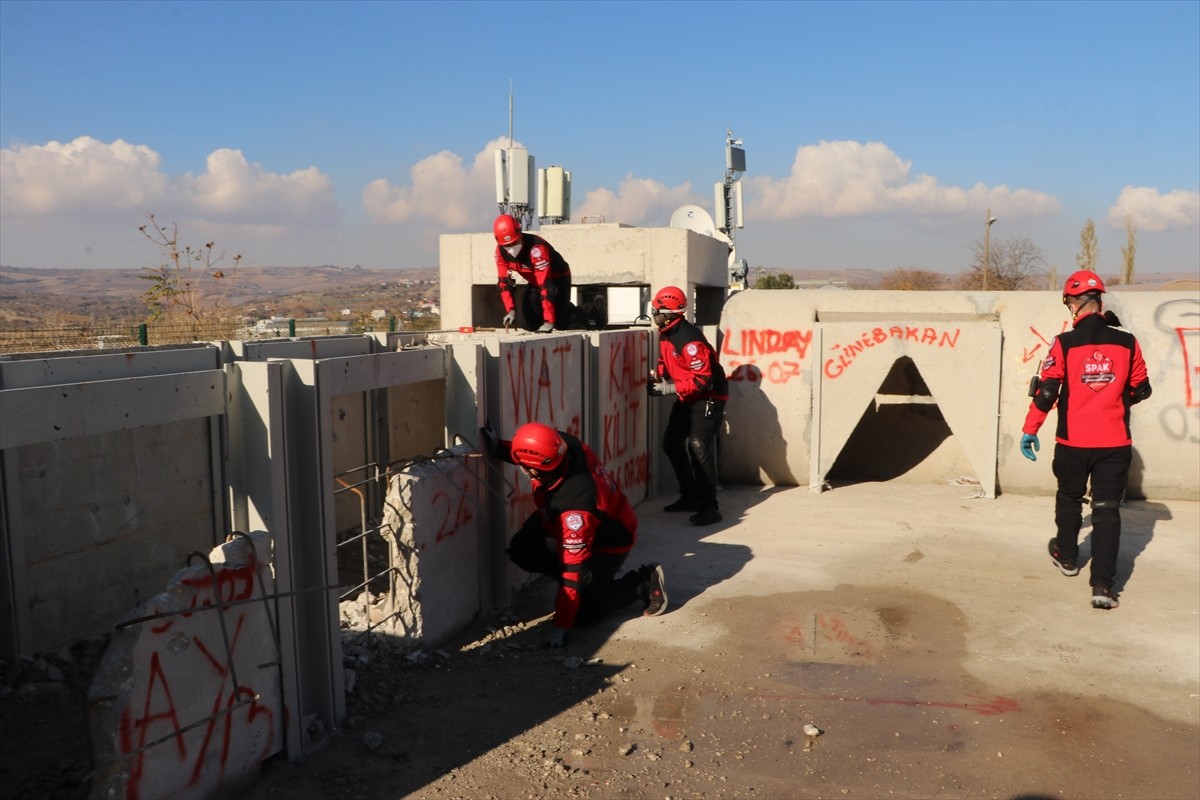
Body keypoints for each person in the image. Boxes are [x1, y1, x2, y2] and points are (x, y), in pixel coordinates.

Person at [1020, 269, 1151, 610]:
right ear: (1100, 301)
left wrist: (1030, 429)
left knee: (1069, 497)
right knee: (1107, 510)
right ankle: (1103, 587)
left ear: (1072, 304)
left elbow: (1047, 392)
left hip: (1072, 441)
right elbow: (1142, 388)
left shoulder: (1064, 343)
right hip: (1115, 442)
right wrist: (1115, 400)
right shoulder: (1127, 342)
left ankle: (1066, 557)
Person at [479, 421, 667, 647]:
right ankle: (588, 583)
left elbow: (572, 570)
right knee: (522, 549)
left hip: (610, 540)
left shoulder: (575, 512)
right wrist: (499, 448)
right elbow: (537, 453)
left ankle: (642, 582)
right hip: (556, 520)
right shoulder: (565, 446)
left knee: (584, 614)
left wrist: (560, 625)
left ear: (533, 471)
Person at [647, 285, 728, 526]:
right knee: (672, 443)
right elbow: (666, 358)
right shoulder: (668, 332)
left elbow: (704, 381)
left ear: (669, 312)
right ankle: (690, 496)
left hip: (708, 396)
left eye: (656, 309)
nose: (653, 313)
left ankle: (709, 508)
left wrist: (669, 389)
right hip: (689, 395)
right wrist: (659, 375)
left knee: (697, 445)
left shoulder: (688, 338)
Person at [493, 213, 590, 333]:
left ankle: (593, 309)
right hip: (534, 281)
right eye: (507, 245)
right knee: (529, 320)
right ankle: (565, 308)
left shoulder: (537, 249)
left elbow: (545, 286)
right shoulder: (501, 253)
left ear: (520, 235)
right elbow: (504, 283)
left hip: (557, 277)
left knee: (561, 321)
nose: (512, 248)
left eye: (514, 243)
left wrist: (549, 322)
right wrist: (510, 310)